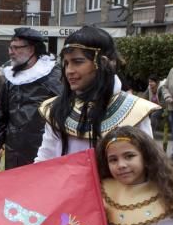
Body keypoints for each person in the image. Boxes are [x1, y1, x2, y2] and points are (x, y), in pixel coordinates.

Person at [36, 26, 158, 162]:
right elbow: (44, 160)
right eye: (66, 63)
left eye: (77, 62)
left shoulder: (134, 111)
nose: (69, 70)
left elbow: (148, 165)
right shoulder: (57, 108)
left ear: (102, 62)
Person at [0, 28, 62, 170]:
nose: (10, 52)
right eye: (10, 47)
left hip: (45, 153)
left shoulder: (53, 75)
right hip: (14, 154)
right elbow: (0, 115)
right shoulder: (11, 79)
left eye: (16, 48)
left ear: (31, 49)